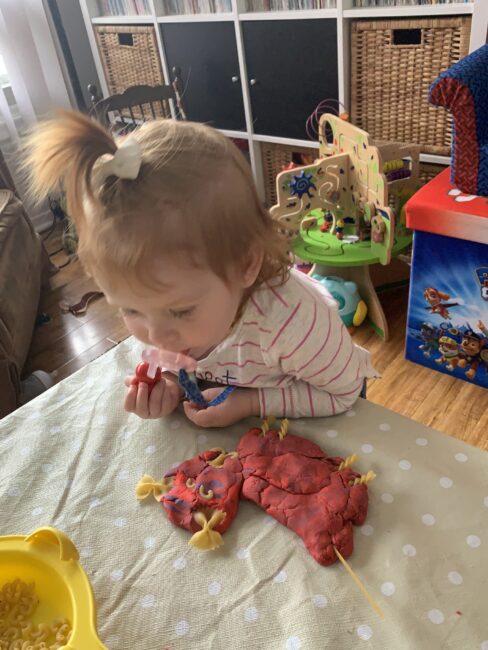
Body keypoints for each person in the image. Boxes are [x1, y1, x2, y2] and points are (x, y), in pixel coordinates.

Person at [26, 111, 377, 428]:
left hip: (321, 397)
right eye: (130, 308)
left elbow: (343, 393)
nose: (157, 336)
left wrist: (248, 403)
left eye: (180, 311)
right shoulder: (173, 313)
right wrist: (169, 383)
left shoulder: (295, 322)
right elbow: (173, 358)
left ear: (247, 264)